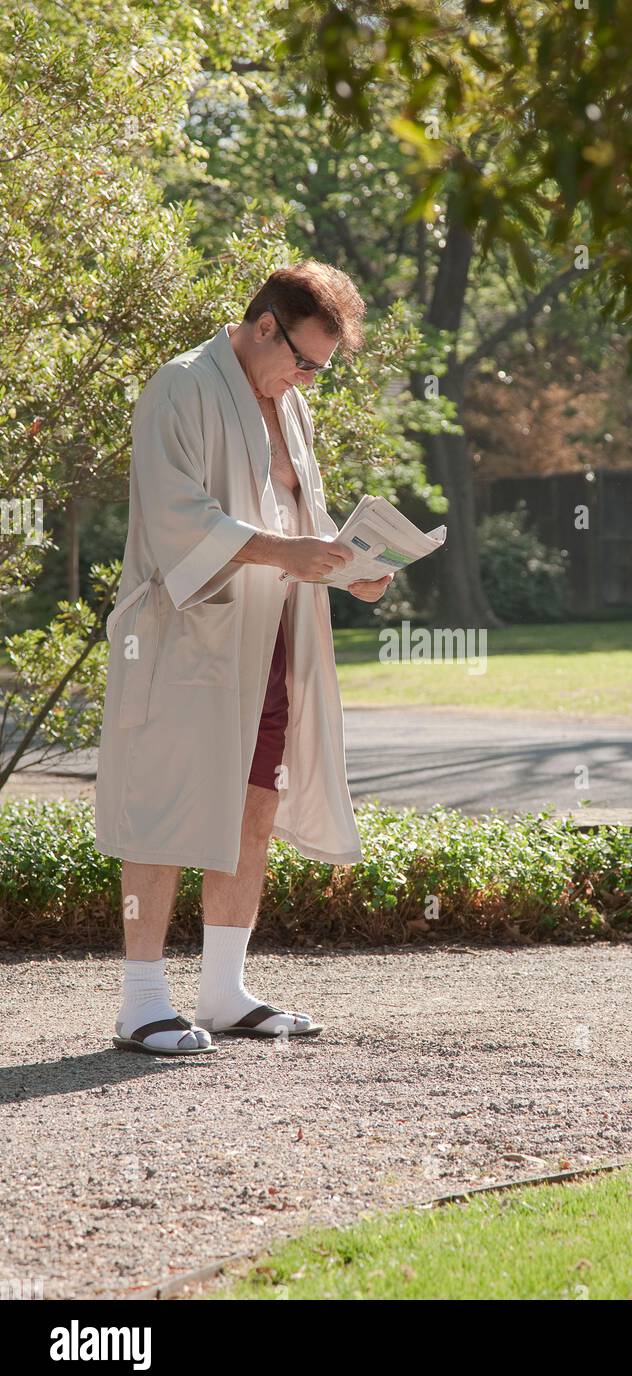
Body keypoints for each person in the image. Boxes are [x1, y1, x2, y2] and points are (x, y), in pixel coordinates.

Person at [94, 262, 393, 1056]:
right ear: (265, 325)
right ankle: (141, 1000)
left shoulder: (287, 405)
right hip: (187, 635)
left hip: (275, 636)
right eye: (304, 360)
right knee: (162, 805)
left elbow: (301, 514)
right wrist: (290, 552)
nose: (306, 379)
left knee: (258, 800)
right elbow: (179, 520)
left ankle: (224, 991)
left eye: (318, 369)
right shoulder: (180, 386)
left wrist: (354, 565)